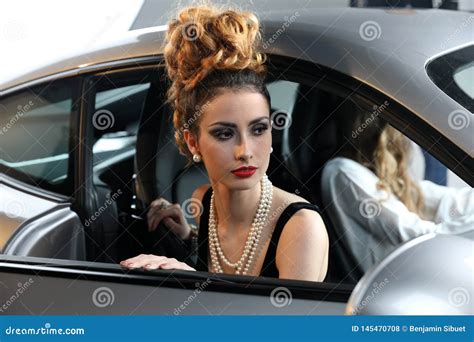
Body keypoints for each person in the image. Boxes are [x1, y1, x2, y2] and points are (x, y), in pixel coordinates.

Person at [120, 5, 329, 282]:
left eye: (258, 129)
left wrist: (192, 279)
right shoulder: (204, 201)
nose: (245, 151)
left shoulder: (300, 228)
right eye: (224, 134)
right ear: (193, 142)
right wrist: (187, 237)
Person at [321, 110, 474, 274]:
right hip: (402, 282)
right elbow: (416, 238)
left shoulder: (375, 174)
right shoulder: (344, 172)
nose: (408, 141)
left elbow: (448, 201)